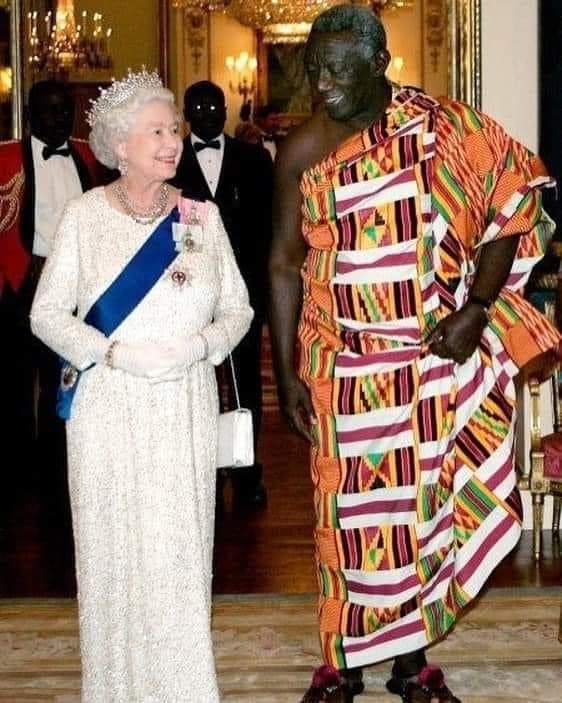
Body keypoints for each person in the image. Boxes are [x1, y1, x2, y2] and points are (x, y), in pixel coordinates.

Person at [269, 5, 560, 703]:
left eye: (339, 68)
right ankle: (341, 664)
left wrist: (478, 309)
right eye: (315, 68)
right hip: (342, 367)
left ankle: (411, 665)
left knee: (418, 515)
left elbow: (513, 205)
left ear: (380, 64)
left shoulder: (444, 128)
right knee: (345, 521)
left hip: (428, 367)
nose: (324, 83)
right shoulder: (303, 148)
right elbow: (282, 264)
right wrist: (285, 375)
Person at [30, 69, 253, 702]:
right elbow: (45, 314)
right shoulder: (82, 217)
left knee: (177, 553)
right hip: (107, 407)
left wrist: (198, 346)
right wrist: (114, 352)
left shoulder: (200, 218)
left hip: (181, 401)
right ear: (119, 144)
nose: (172, 141)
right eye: (156, 131)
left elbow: (238, 310)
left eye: (174, 130)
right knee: (112, 554)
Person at [171, 80, 273, 509]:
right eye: (199, 105)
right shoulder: (169, 160)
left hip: (242, 292)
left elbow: (269, 227)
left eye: (215, 105)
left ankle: (248, 475)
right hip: (185, 295)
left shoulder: (253, 158)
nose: (208, 112)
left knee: (245, 386)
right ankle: (197, 477)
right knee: (192, 386)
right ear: (186, 112)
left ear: (226, 108)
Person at [0, 80, 105, 485]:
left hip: (77, 283)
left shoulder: (87, 156)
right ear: (30, 116)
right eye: (48, 111)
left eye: (64, 111)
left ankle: (60, 458)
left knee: (68, 370)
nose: (58, 119)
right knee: (18, 376)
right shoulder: (8, 158)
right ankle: (17, 461)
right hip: (24, 278)